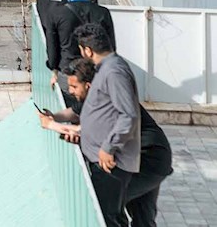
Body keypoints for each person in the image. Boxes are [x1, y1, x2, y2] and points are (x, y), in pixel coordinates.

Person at [38, 59, 173, 227]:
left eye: (74, 87)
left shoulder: (103, 102)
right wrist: (54, 116)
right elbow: (74, 112)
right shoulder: (99, 93)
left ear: (87, 86)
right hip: (153, 156)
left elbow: (80, 130)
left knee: (108, 208)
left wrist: (50, 124)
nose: (70, 91)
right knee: (141, 217)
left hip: (148, 159)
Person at [75, 23, 141, 227]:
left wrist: (108, 147)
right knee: (111, 216)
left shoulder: (114, 72)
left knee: (108, 218)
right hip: (104, 161)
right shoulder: (106, 69)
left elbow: (128, 115)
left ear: (88, 50)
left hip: (111, 163)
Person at [44, 0, 116, 98]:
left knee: (70, 113)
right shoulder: (103, 13)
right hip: (96, 74)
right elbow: (111, 48)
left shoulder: (56, 13)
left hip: (69, 75)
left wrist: (54, 71)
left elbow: (52, 50)